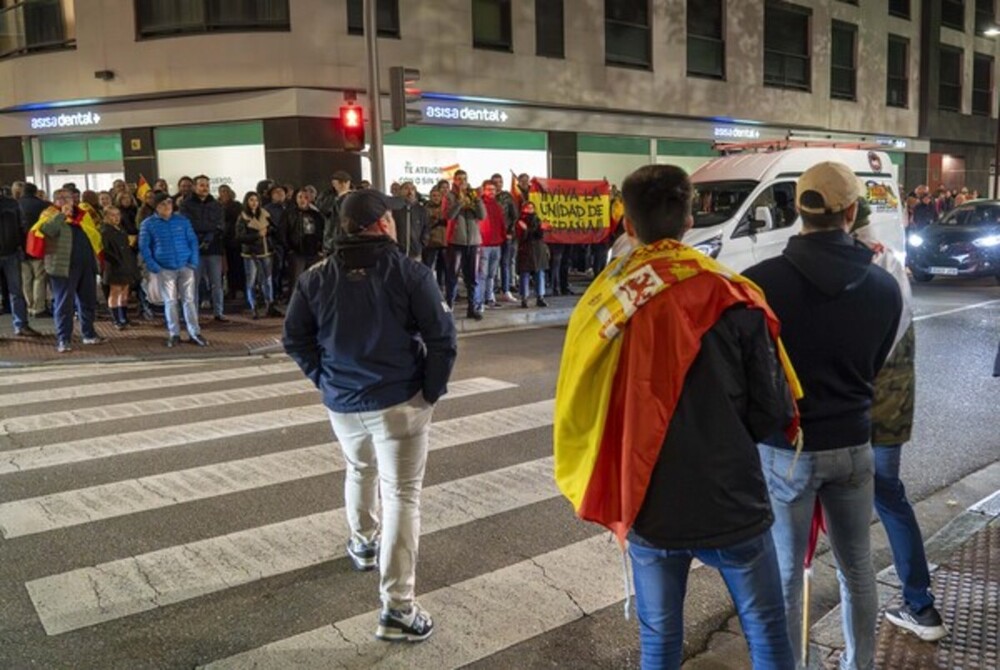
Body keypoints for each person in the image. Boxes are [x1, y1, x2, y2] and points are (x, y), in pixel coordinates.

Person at [553, 164, 801, 669]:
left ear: (627, 223)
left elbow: (579, 399)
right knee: (767, 630)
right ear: (690, 219)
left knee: (661, 640)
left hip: (647, 500)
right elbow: (774, 412)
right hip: (732, 499)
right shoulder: (732, 293)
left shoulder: (604, 300)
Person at [743, 162, 902, 670]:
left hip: (787, 448)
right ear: (851, 212)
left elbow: (750, 371)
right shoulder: (884, 287)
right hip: (855, 443)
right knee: (858, 569)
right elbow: (877, 362)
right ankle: (861, 664)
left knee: (788, 573)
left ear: (797, 210)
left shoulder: (759, 284)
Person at [283, 189, 457, 643]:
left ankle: (363, 543)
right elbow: (442, 339)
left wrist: (325, 380)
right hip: (400, 400)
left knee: (359, 468)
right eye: (391, 217)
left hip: (344, 400)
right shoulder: (411, 273)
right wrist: (431, 391)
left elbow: (295, 339)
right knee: (402, 496)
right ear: (381, 224)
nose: (396, 223)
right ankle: (397, 607)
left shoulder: (317, 276)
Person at [849, 200, 948, 642]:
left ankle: (856, 615)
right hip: (891, 405)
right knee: (888, 499)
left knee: (835, 502)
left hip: (851, 407)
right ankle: (920, 603)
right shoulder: (889, 260)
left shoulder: (847, 269)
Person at [29, 189, 105, 352]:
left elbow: (93, 236)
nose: (65, 201)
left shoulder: (83, 215)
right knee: (64, 305)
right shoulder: (49, 214)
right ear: (54, 200)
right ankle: (64, 339)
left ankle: (89, 334)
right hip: (62, 267)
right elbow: (47, 231)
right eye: (61, 198)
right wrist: (61, 215)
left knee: (88, 302)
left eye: (68, 198)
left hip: (86, 265)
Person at [139, 192, 207, 347]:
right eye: (162, 203)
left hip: (185, 266)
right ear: (156, 207)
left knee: (189, 300)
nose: (167, 206)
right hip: (164, 268)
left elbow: (192, 241)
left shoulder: (182, 221)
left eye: (169, 202)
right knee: (170, 302)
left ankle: (194, 332)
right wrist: (154, 266)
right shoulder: (148, 224)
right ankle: (174, 333)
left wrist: (193, 261)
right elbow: (144, 247)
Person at [181, 175, 227, 321]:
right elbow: (189, 225)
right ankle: (193, 314)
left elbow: (220, 225)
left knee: (217, 283)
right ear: (195, 187)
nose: (205, 188)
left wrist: (208, 233)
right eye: (201, 185)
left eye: (207, 185)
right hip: (194, 249)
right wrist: (207, 229)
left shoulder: (216, 204)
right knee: (193, 284)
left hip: (214, 248)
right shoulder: (186, 204)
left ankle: (218, 313)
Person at [1, 186, 41, 338]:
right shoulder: (12, 204)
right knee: (16, 291)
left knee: (17, 291)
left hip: (12, 252)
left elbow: (22, 226)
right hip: (11, 251)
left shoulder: (12, 204)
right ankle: (21, 325)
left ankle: (21, 325)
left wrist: (23, 248)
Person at [444, 170, 485, 320]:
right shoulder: (450, 196)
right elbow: (448, 215)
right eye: (459, 179)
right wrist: (460, 201)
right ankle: (449, 307)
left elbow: (482, 216)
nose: (462, 181)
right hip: (457, 241)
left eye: (464, 179)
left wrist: (477, 199)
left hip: (474, 241)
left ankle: (472, 308)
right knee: (452, 276)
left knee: (473, 277)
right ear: (454, 180)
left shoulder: (473, 195)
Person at [236, 191, 277, 319]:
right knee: (251, 281)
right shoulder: (242, 217)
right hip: (251, 253)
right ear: (247, 202)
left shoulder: (265, 214)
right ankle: (253, 306)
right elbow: (239, 237)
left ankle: (269, 304)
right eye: (251, 200)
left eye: (256, 200)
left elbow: (274, 229)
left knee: (267, 279)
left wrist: (268, 231)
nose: (254, 203)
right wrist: (257, 235)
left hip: (265, 251)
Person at [100, 206, 139, 330]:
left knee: (124, 291)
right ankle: (116, 319)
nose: (116, 218)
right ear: (106, 217)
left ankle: (124, 317)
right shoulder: (105, 231)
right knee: (115, 291)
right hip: (114, 265)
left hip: (125, 264)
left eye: (118, 215)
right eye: (112, 215)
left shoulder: (121, 229)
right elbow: (104, 250)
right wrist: (115, 259)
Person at [17, 183, 51, 318]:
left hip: (20, 246)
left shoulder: (15, 205)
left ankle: (30, 306)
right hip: (38, 245)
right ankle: (39, 308)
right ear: (36, 192)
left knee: (26, 279)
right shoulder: (43, 205)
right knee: (39, 277)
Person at [280, 189, 325, 288]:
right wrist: (289, 249)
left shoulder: (316, 215)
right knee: (296, 280)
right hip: (297, 252)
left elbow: (322, 231)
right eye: (300, 197)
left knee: (314, 279)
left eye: (306, 197)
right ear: (295, 199)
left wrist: (321, 248)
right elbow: (283, 233)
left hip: (314, 251)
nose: (303, 200)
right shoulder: (289, 214)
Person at [477, 180, 507, 309]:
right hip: (484, 244)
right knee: (482, 274)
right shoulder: (479, 204)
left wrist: (503, 237)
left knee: (491, 274)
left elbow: (501, 223)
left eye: (493, 189)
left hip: (496, 244)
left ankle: (489, 298)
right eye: (488, 189)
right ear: (483, 190)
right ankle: (480, 300)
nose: (491, 192)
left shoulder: (497, 206)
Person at [515, 201, 549, 308]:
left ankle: (540, 297)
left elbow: (539, 235)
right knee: (525, 275)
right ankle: (524, 298)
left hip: (538, 251)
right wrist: (528, 230)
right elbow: (522, 237)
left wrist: (540, 229)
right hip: (526, 250)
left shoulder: (537, 220)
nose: (530, 210)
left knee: (540, 274)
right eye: (527, 208)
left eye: (531, 208)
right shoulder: (520, 221)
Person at [491, 173, 519, 303]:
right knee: (492, 264)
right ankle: (492, 290)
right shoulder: (489, 197)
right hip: (491, 236)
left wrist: (510, 232)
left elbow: (514, 216)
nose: (497, 184)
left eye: (500, 182)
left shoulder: (507, 197)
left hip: (506, 235)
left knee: (505, 263)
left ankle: (506, 289)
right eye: (495, 182)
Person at [218, 184, 245, 301]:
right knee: (225, 268)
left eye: (226, 191)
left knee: (237, 266)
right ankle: (229, 290)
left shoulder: (237, 205)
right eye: (221, 191)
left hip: (235, 240)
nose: (224, 193)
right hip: (222, 241)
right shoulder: (217, 206)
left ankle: (239, 289)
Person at [390, 181, 428, 262]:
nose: (410, 191)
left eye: (412, 189)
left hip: (415, 252)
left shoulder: (421, 210)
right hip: (397, 252)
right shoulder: (394, 209)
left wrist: (421, 245)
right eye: (406, 188)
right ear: (400, 191)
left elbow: (426, 228)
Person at [319, 170, 354, 255]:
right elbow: (323, 210)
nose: (335, 186)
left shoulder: (353, 199)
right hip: (331, 242)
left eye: (337, 183)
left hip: (345, 242)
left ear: (345, 183)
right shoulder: (331, 197)